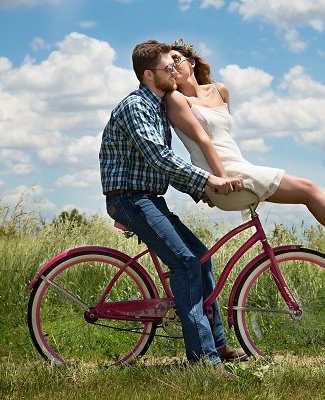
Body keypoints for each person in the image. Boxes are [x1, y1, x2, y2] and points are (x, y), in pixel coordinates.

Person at [165, 38, 325, 265]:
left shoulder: (220, 91)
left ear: (191, 62)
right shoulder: (177, 100)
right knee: (309, 190)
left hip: (238, 167)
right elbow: (204, 142)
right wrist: (217, 180)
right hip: (224, 177)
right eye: (167, 66)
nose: (172, 67)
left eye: (176, 60)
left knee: (313, 190)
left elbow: (224, 139)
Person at [99, 40, 248, 371]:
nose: (175, 72)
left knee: (202, 259)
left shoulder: (157, 109)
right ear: (150, 74)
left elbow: (161, 166)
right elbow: (160, 157)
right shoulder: (136, 107)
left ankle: (218, 345)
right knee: (186, 265)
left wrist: (200, 191)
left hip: (149, 198)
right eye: (169, 68)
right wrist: (209, 180)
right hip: (129, 198)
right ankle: (204, 360)